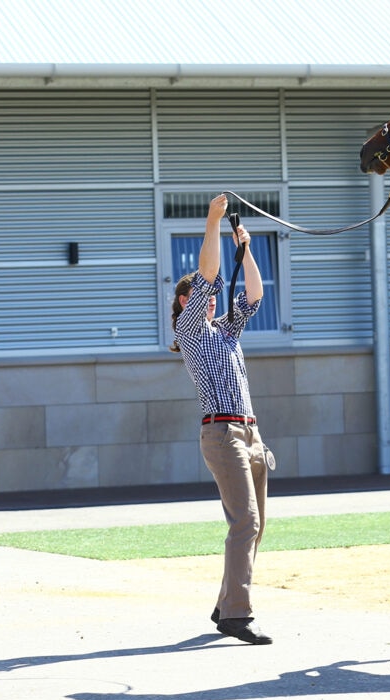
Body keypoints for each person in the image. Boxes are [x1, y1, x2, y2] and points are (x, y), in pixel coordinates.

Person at [170, 194, 273, 645]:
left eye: (207, 298)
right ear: (184, 304)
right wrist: (212, 221)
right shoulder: (187, 329)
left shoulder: (226, 330)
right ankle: (237, 615)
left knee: (256, 525)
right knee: (245, 522)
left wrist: (246, 249)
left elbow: (255, 294)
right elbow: (210, 275)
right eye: (196, 296)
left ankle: (223, 605)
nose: (207, 300)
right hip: (222, 432)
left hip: (250, 432)